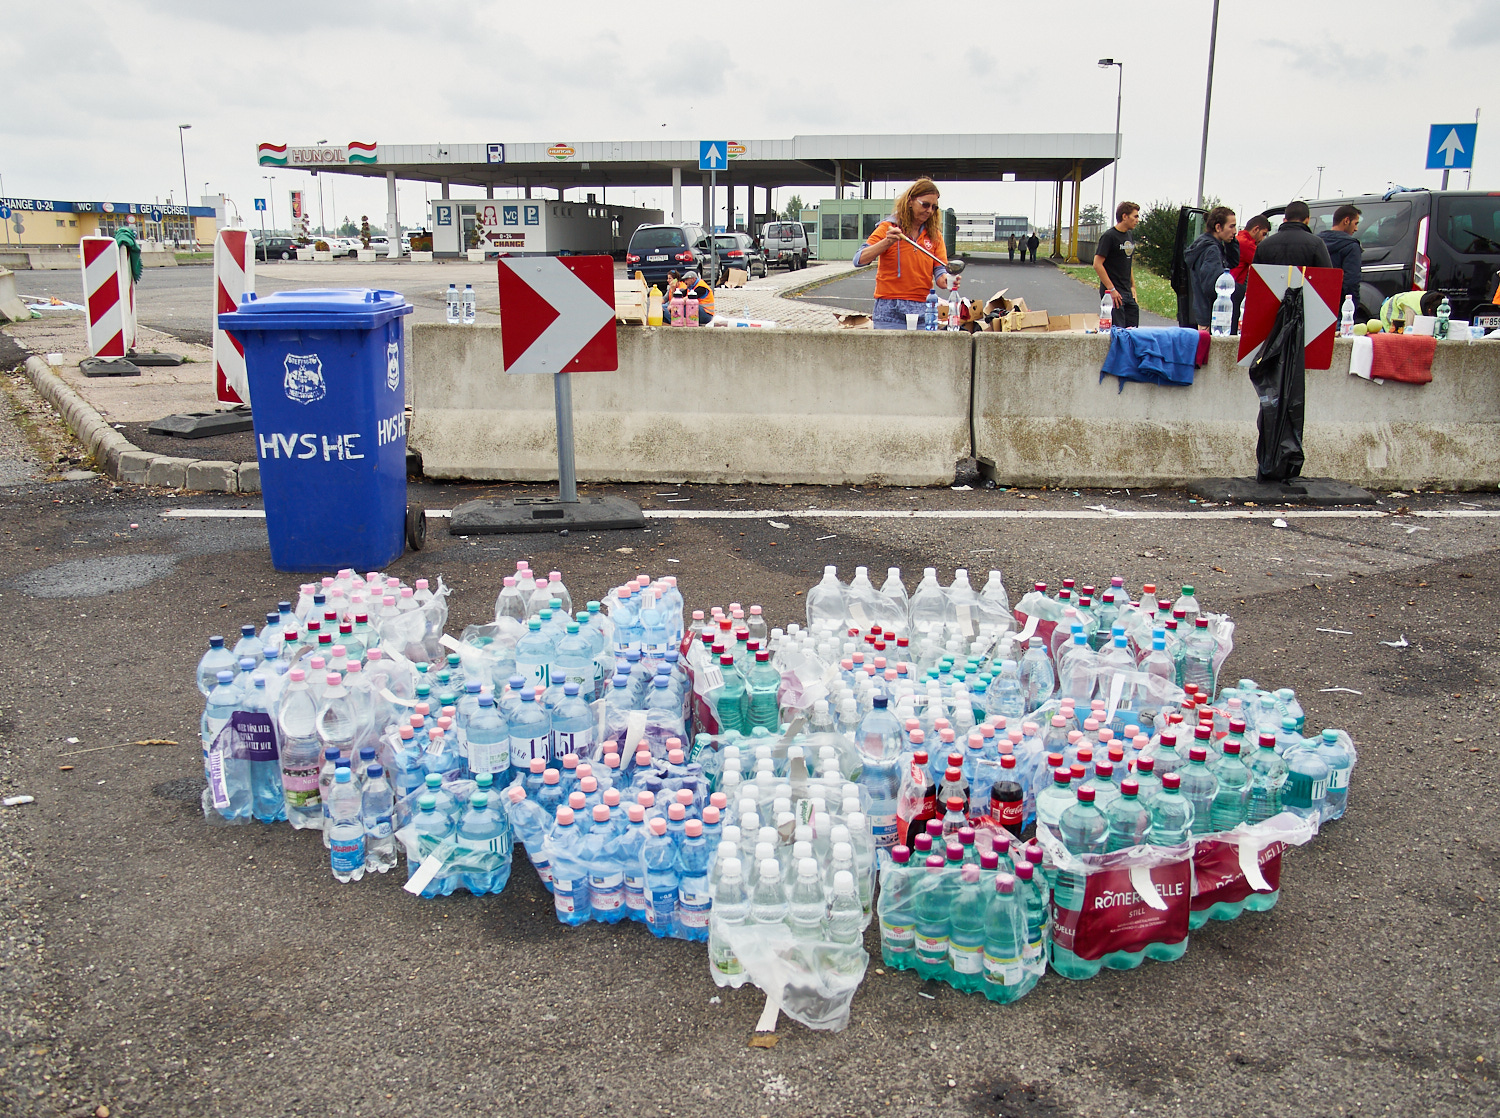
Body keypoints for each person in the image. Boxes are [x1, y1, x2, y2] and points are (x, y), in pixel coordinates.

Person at [853, 177, 958, 330]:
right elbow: (859, 259)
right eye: (925, 204)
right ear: (910, 201)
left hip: (924, 309)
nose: (929, 210)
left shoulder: (935, 235)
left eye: (934, 207)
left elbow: (940, 271)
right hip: (889, 309)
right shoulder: (888, 228)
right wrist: (886, 242)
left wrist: (948, 280)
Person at [1182, 206, 1239, 328]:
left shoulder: (1206, 244)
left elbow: (1233, 262)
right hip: (1210, 316)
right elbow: (1212, 286)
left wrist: (1231, 242)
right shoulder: (1212, 250)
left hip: (1203, 313)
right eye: (1231, 226)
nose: (1235, 231)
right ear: (1218, 227)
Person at [1094, 201, 1142, 328]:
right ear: (1124, 216)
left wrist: (1133, 286)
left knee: (1132, 330)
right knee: (1118, 331)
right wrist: (1111, 289)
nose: (1137, 220)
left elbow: (1127, 261)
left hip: (1127, 291)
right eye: (1135, 216)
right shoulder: (1109, 236)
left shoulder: (1129, 235)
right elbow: (1097, 264)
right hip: (1114, 292)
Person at [1252, 200, 1332, 269]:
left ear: (1284, 220)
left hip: (1269, 287)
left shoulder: (1263, 245)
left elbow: (1255, 277)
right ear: (1307, 220)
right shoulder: (1317, 244)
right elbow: (1327, 276)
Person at [1318, 204, 1363, 313]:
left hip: (1317, 301)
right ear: (1346, 220)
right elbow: (1351, 282)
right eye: (1355, 223)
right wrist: (1352, 307)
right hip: (1340, 306)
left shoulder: (1316, 242)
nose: (1356, 229)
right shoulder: (1351, 246)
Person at [1231, 214, 1272, 331]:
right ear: (1255, 229)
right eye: (1263, 234)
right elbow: (1264, 264)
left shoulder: (1239, 239)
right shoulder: (1247, 244)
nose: (1263, 239)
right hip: (1236, 287)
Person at [1377, 290, 1442, 332]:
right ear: (1429, 311)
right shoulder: (1411, 310)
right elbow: (1408, 331)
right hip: (1390, 312)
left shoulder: (1433, 300)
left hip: (1402, 303)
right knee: (1397, 336)